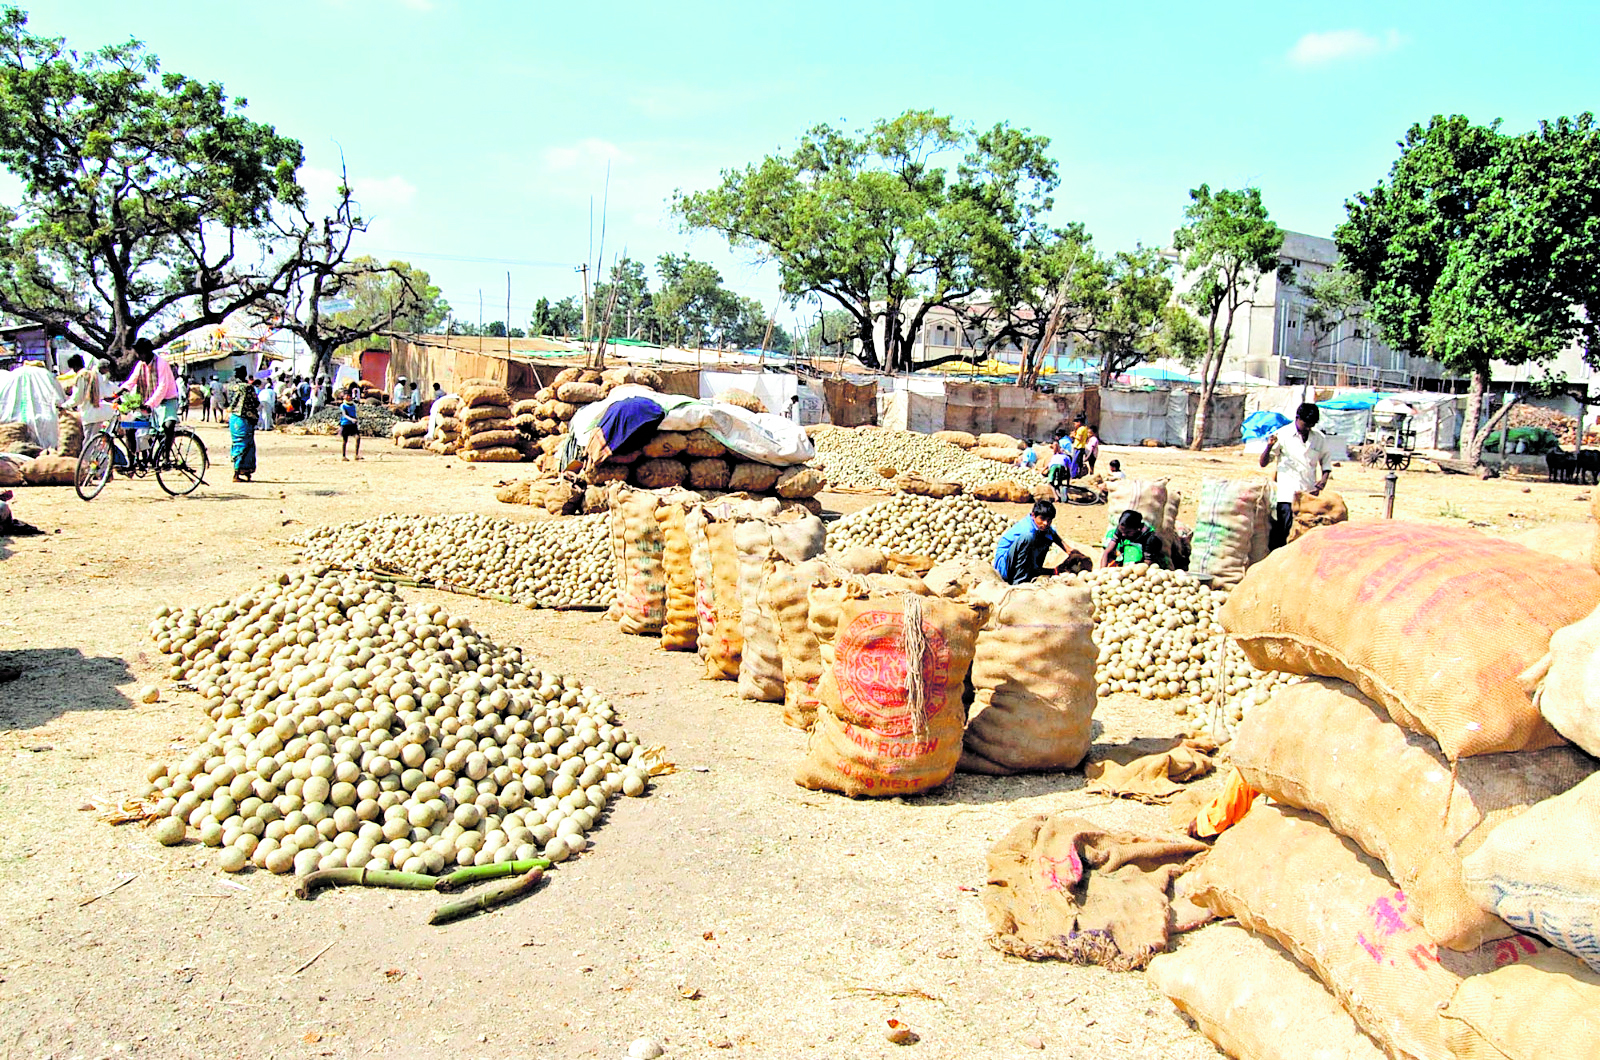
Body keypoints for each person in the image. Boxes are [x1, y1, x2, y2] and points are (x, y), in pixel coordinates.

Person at [1260, 402, 1332, 551]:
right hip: (1287, 496)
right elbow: (1263, 462)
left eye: (1311, 425)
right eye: (1305, 424)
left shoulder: (1319, 438)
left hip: (1308, 495)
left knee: (1304, 535)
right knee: (1283, 534)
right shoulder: (1282, 434)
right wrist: (1268, 447)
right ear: (1297, 418)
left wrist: (1323, 481)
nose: (1308, 428)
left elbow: (1325, 461)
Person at [994, 500, 1068, 585]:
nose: (1045, 523)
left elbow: (1053, 534)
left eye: (1049, 520)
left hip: (1021, 564)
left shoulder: (1041, 526)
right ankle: (1019, 582)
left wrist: (1068, 550)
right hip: (1004, 567)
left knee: (1046, 536)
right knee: (1028, 538)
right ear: (1033, 515)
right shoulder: (1027, 529)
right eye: (1042, 519)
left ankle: (1033, 573)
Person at [59, 353, 115, 443]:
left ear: (75, 366)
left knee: (89, 441)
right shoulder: (94, 374)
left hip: (89, 412)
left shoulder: (82, 376)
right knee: (97, 440)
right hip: (99, 411)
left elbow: (78, 397)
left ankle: (87, 457)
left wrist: (64, 406)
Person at [225, 365, 260, 482]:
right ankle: (240, 471)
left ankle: (239, 470)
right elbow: (255, 402)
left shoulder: (231, 387)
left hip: (234, 418)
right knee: (246, 444)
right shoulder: (248, 387)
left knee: (238, 443)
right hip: (244, 419)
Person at [1102, 509, 1167, 569]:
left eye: (1128, 532)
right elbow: (1107, 551)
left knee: (1133, 552)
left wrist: (1133, 571)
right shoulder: (1122, 528)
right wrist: (1102, 571)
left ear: (1138, 529)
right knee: (1110, 534)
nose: (1123, 534)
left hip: (1144, 555)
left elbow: (1147, 563)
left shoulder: (1150, 539)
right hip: (1127, 544)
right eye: (1122, 531)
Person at [339, 385, 363, 461]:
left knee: (358, 437)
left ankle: (356, 454)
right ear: (344, 397)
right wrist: (351, 419)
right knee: (345, 441)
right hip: (345, 424)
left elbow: (357, 412)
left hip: (353, 425)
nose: (349, 397)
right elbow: (344, 415)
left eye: (350, 396)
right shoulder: (343, 405)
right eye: (347, 396)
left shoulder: (354, 405)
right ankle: (343, 456)